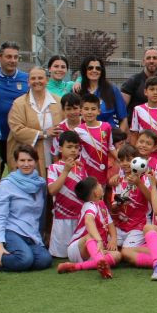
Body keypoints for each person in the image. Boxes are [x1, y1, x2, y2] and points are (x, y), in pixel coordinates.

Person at [57, 176, 120, 278]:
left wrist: (113, 238)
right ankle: (101, 262)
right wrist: (99, 240)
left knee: (117, 255)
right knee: (90, 236)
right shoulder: (90, 205)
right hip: (78, 248)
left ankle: (76, 266)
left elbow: (110, 225)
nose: (101, 185)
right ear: (96, 193)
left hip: (93, 251)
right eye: (98, 184)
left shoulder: (102, 204)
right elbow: (88, 220)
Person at [7, 66, 63, 171]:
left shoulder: (59, 102)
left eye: (40, 78)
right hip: (29, 158)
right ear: (28, 82)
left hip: (54, 156)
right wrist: (44, 133)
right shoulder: (19, 103)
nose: (37, 81)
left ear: (47, 80)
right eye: (33, 78)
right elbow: (17, 130)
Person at [0, 41, 30, 174]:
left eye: (16, 57)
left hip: (17, 138)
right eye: (9, 57)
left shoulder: (26, 78)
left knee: (18, 176)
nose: (13, 60)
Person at [47, 130, 87, 258]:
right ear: (60, 148)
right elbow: (52, 190)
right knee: (61, 255)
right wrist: (65, 171)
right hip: (62, 218)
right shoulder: (54, 167)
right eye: (69, 147)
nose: (73, 150)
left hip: (79, 217)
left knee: (78, 254)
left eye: (76, 147)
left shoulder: (81, 167)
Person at [76, 93, 116, 187]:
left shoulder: (106, 127)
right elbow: (75, 152)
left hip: (102, 172)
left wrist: (120, 159)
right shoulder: (78, 130)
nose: (89, 112)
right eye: (86, 109)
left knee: (100, 194)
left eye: (93, 109)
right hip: (85, 173)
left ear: (99, 111)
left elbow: (110, 147)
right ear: (81, 111)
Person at [129, 76, 157, 156]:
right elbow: (134, 134)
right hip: (144, 154)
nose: (155, 92)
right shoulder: (138, 109)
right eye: (152, 89)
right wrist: (134, 155)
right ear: (145, 92)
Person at [77, 57, 127, 128]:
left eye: (98, 68)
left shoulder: (112, 90)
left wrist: (119, 134)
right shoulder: (78, 90)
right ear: (85, 70)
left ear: (102, 71)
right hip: (84, 133)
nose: (94, 70)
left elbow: (123, 118)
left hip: (110, 133)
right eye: (90, 68)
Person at [121, 47, 157, 116]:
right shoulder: (132, 81)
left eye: (154, 58)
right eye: (148, 58)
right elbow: (121, 109)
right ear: (143, 62)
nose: (151, 61)